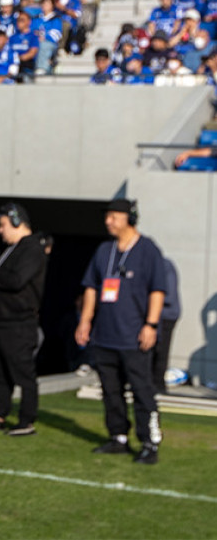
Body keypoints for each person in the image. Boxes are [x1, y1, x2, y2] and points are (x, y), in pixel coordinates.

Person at [76, 198, 166, 464]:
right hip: (105, 335)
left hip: (133, 335)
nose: (108, 221)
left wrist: (150, 325)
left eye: (114, 216)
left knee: (141, 390)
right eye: (107, 216)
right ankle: (118, 437)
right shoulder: (104, 250)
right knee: (110, 390)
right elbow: (92, 286)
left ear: (129, 218)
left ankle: (149, 442)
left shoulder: (148, 249)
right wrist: (85, 321)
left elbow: (157, 291)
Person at [0, 203, 47, 436]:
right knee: (1, 374)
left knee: (23, 373)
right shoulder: (12, 248)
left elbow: (17, 280)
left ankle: (26, 420)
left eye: (3, 225)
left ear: (17, 222)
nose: (0, 230)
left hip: (18, 323)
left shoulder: (32, 249)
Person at [153, 256, 180, 393]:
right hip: (154, 313)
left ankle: (158, 385)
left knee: (160, 350)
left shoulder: (163, 265)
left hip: (165, 314)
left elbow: (167, 296)